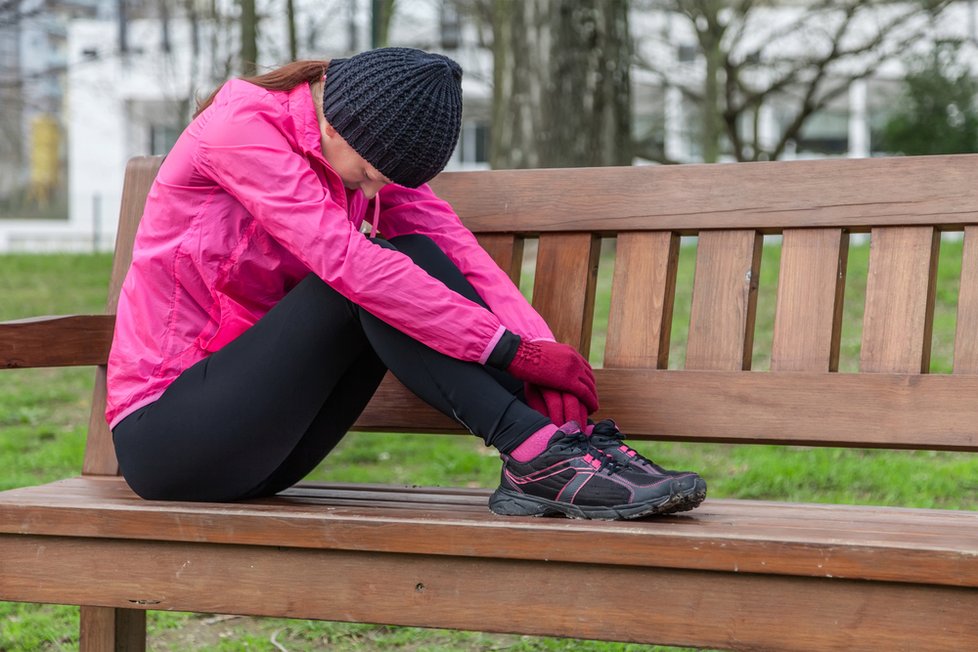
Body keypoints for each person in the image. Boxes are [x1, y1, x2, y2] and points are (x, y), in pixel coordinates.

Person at [106, 47, 706, 520]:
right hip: (167, 437)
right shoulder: (238, 130)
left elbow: (462, 258)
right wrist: (507, 351)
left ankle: (554, 446)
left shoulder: (365, 141)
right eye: (369, 175)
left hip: (266, 450)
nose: (371, 193)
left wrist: (539, 362)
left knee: (413, 252)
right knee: (361, 275)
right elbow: (345, 260)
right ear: (337, 127)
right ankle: (532, 454)